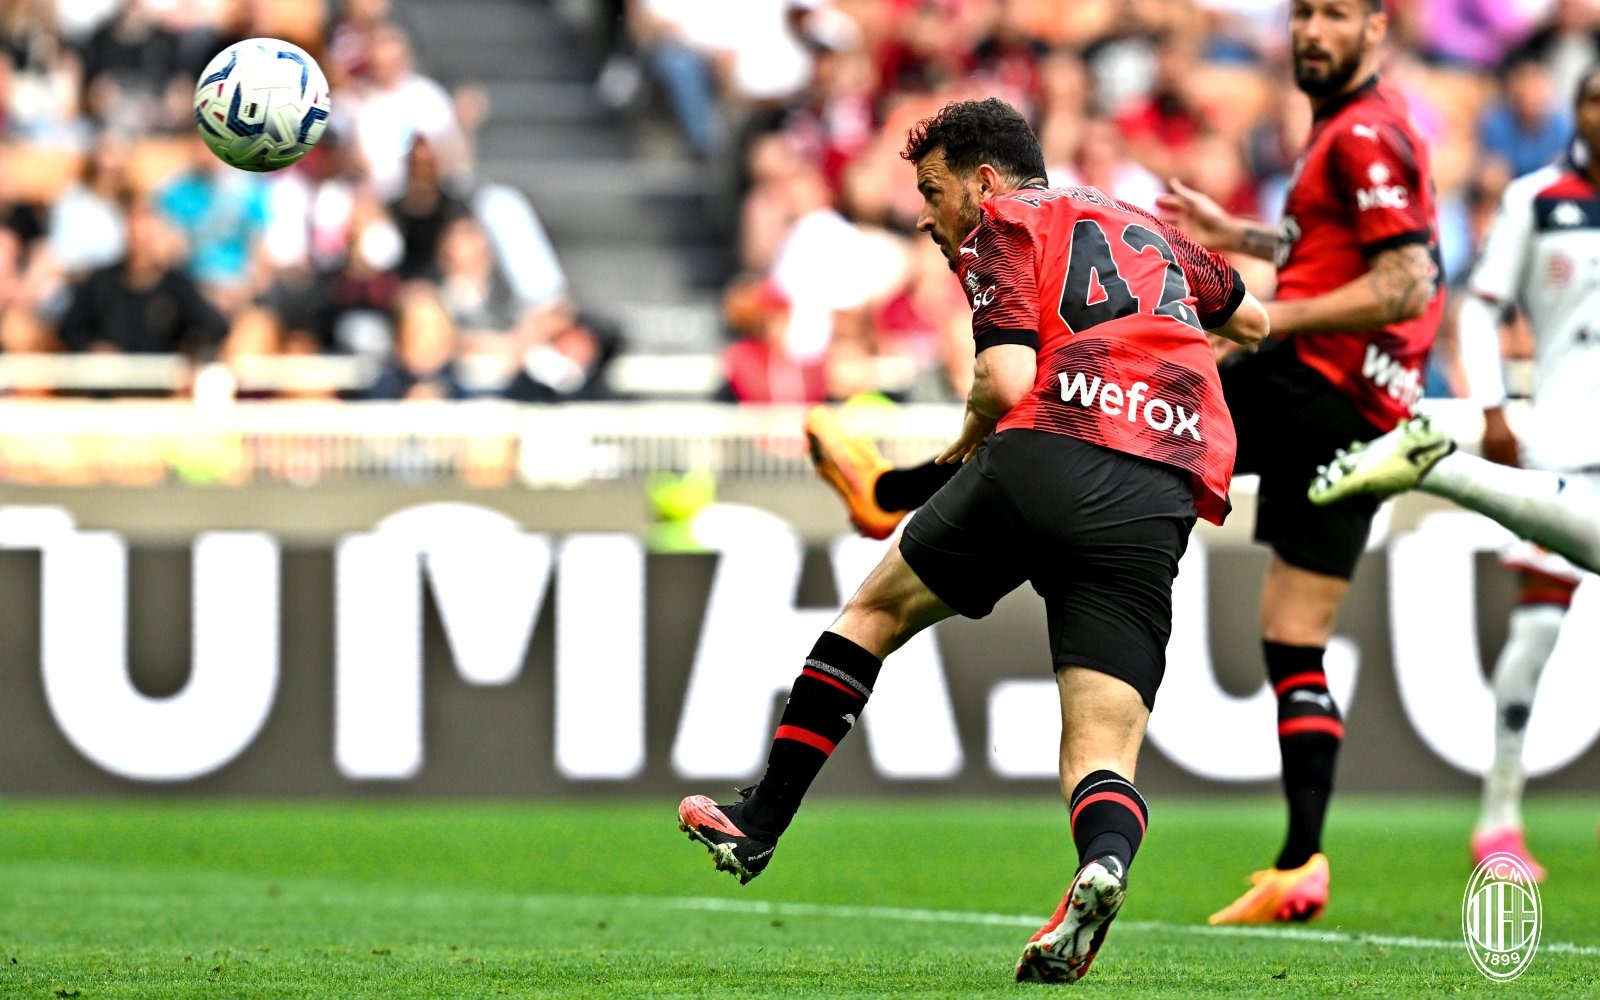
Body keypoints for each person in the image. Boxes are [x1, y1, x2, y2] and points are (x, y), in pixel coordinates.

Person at [805, 0, 1445, 926]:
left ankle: (896, 492)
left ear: (1377, 30)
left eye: (1334, 16)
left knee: (1088, 399)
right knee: (1293, 637)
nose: (1310, 31)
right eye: (1303, 14)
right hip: (1371, 411)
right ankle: (1302, 860)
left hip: (1312, 381)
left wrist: (1259, 323)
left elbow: (1406, 282)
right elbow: (1344, 254)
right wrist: (1242, 241)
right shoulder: (1353, 136)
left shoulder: (1362, 131)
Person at [677, 96, 1270, 984]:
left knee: (873, 614)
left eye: (932, 191)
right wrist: (1158, 375)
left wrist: (960, 443)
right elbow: (1255, 323)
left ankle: (761, 822)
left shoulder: (1005, 222)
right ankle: (1103, 865)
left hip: (1051, 451)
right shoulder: (1147, 228)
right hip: (1159, 487)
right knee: (1100, 752)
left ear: (983, 181)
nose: (926, 216)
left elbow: (1008, 379)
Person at [1310, 69, 1600, 878]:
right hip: (1561, 439)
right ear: (1576, 112)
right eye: (1593, 99)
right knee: (1537, 632)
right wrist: (1494, 404)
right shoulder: (1538, 199)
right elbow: (1478, 306)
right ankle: (1499, 817)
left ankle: (1433, 466)